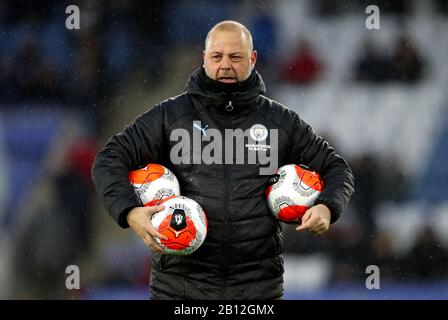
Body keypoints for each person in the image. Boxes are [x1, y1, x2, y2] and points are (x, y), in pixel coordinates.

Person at [92, 20, 355, 300]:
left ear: (253, 59)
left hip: (257, 291)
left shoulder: (280, 122)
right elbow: (109, 158)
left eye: (236, 57)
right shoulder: (170, 117)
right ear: (204, 59)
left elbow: (336, 168)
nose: (225, 65)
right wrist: (129, 211)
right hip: (179, 290)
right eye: (217, 57)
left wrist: (327, 207)